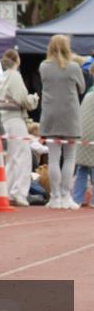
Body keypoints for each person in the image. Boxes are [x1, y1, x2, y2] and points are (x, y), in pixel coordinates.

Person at [39, 34, 85, 209]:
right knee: (70, 156)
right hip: (70, 115)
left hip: (50, 115)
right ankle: (66, 196)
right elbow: (81, 88)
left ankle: (55, 196)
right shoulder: (73, 67)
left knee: (53, 157)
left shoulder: (43, 66)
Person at [0, 49, 39, 206]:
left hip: (4, 118)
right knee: (23, 156)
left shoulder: (3, 76)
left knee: (12, 157)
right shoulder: (15, 76)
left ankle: (7, 191)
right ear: (17, 60)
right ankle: (19, 193)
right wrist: (34, 99)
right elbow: (23, 99)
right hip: (15, 119)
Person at [72, 66, 94, 208]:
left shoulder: (89, 92)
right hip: (92, 135)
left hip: (83, 134)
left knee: (82, 167)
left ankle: (77, 198)